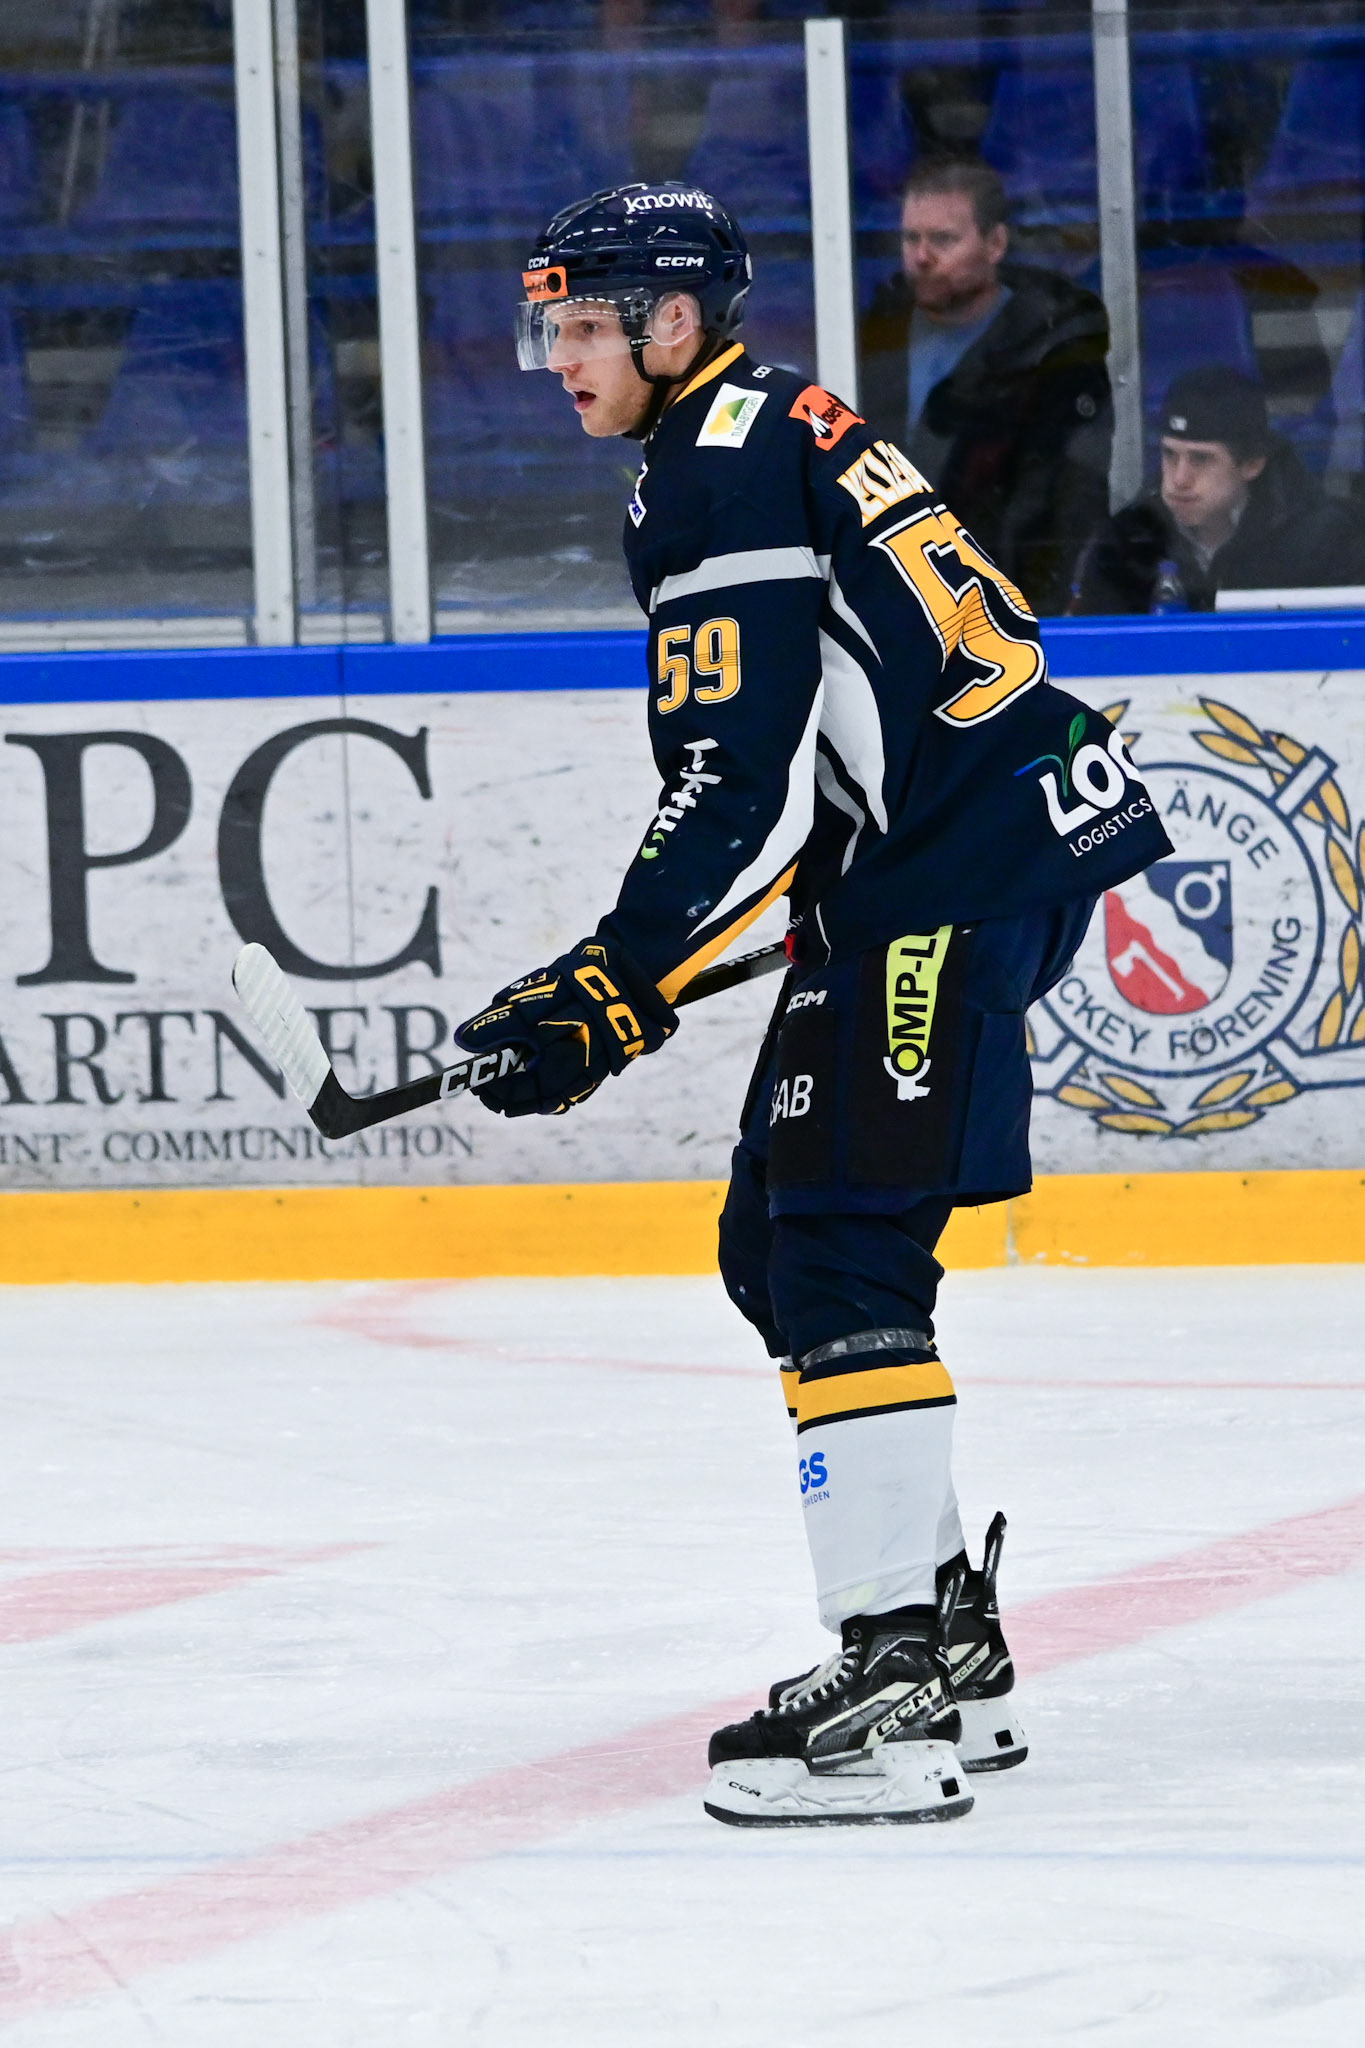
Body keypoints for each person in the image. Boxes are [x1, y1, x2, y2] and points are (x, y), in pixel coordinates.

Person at [454, 183, 1171, 1827]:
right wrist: (636, 975)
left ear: (674, 322)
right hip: (968, 850)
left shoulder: (713, 470)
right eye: (550, 325)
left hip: (949, 876)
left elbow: (741, 781)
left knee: (841, 1241)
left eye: (585, 324)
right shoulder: (775, 421)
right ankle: (945, 1642)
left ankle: (894, 1676)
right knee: (778, 1242)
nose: (559, 357)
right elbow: (842, 737)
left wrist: (615, 975)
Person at [859, 160, 1112, 617]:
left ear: (995, 244)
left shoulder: (1054, 354)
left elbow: (1066, 504)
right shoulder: (877, 336)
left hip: (1003, 609)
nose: (921, 257)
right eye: (911, 238)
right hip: (890, 601)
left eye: (943, 240)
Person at [1073, 367, 1365, 612]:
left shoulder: (1328, 543)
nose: (1179, 479)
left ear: (1253, 464)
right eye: (1170, 455)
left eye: (1201, 459)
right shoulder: (1127, 542)